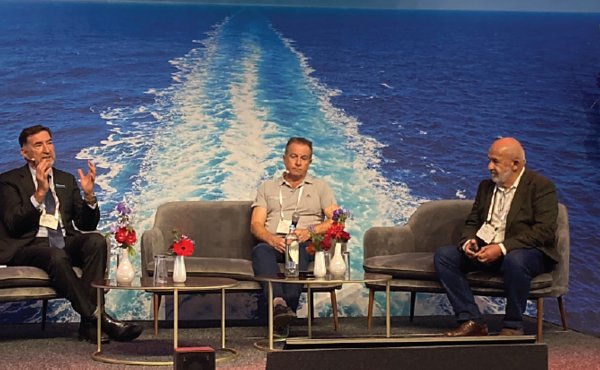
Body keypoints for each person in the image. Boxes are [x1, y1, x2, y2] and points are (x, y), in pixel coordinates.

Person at [0, 125, 143, 343]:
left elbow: (85, 224)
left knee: (95, 240)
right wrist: (39, 194)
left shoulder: (65, 179)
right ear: (25, 153)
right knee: (55, 255)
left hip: (61, 240)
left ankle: (88, 325)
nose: (47, 149)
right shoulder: (9, 180)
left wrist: (89, 196)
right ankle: (99, 320)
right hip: (26, 246)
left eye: (49, 142)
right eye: (38, 145)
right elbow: (13, 225)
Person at [434, 137, 559, 336]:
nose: (489, 166)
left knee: (515, 260)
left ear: (515, 164)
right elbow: (473, 222)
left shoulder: (541, 187)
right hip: (487, 249)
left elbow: (543, 232)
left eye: (495, 161)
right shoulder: (486, 187)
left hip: (527, 253)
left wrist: (501, 248)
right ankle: (472, 320)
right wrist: (469, 241)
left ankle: (513, 325)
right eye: (489, 160)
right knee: (445, 256)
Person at [251, 137, 338, 329]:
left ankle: (284, 307)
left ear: (310, 161)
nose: (298, 162)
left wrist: (310, 231)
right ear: (284, 158)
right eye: (293, 156)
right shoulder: (267, 187)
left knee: (296, 249)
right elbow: (256, 224)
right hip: (275, 243)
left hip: (303, 243)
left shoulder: (320, 187)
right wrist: (271, 239)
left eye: (304, 158)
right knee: (260, 250)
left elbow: (337, 220)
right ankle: (280, 305)